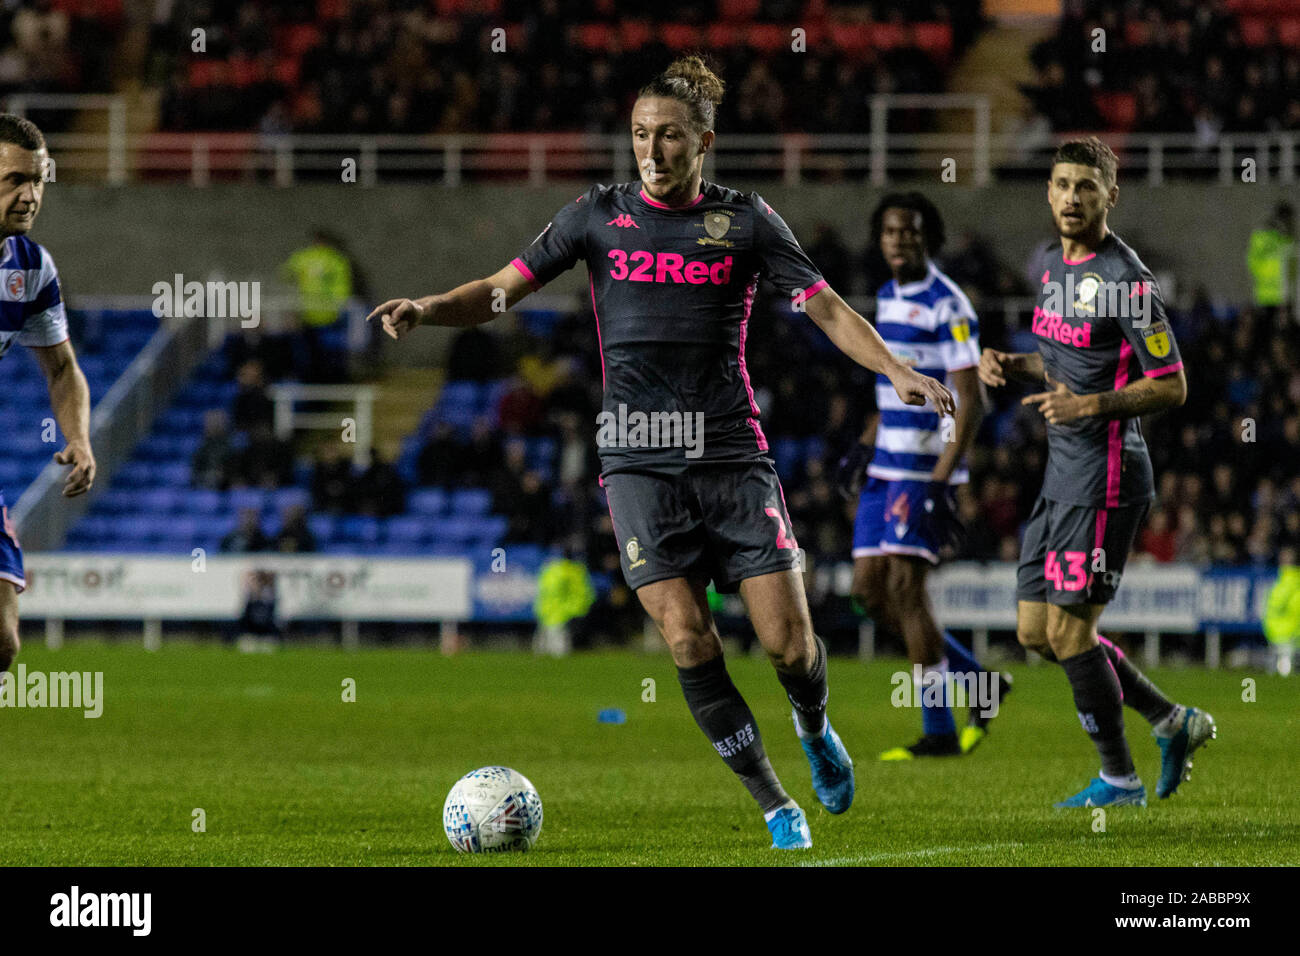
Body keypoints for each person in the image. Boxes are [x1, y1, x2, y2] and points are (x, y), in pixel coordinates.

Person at [368, 56, 955, 849]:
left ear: (703, 141)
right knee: (685, 635)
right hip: (637, 460)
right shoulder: (595, 216)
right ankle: (776, 803)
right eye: (641, 134)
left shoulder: (747, 221)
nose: (652, 149)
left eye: (670, 136)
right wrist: (430, 307)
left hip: (731, 454)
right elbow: (503, 286)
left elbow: (825, 308)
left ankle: (814, 727)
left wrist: (896, 369)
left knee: (789, 645)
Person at [979, 137, 1215, 808]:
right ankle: (1173, 721)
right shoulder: (1052, 263)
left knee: (1069, 633)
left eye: (1087, 186)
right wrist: (1013, 362)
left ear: (1111, 194)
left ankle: (1119, 777)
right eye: (1061, 185)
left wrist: (1091, 405)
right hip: (1060, 475)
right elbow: (1062, 357)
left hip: (1108, 475)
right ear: (1048, 193)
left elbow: (1172, 385)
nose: (1072, 197)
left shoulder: (1127, 280)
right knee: (1033, 632)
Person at [838, 191, 1010, 760]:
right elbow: (892, 383)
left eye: (909, 231)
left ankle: (938, 731)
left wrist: (942, 480)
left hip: (923, 472)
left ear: (928, 238)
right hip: (885, 466)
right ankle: (982, 685)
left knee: (908, 590)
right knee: (867, 592)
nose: (899, 240)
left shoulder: (949, 303)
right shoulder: (886, 297)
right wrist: (865, 443)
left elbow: (973, 400)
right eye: (890, 231)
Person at [0, 115, 95, 686]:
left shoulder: (31, 268)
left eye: (38, 180)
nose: (30, 194)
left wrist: (79, 437)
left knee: (3, 642)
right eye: (14, 179)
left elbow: (61, 368)